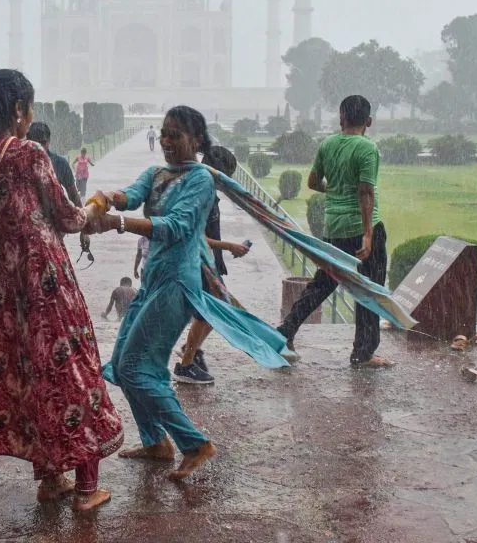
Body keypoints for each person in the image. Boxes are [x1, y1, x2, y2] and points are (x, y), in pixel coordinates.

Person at [0, 69, 122, 512]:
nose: (31, 116)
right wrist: (96, 204)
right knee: (71, 371)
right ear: (18, 110)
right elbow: (69, 218)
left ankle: (51, 479)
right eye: (29, 107)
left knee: (27, 375)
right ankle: (87, 487)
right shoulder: (28, 153)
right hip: (41, 282)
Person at [86, 106, 287, 481]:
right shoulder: (156, 173)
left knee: (133, 368)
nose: (166, 141)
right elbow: (132, 194)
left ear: (197, 141)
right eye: (163, 133)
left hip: (178, 285)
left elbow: (176, 227)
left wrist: (117, 223)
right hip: (153, 282)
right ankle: (155, 442)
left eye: (175, 135)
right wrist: (109, 199)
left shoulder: (200, 182)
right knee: (124, 366)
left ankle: (195, 444)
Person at [277, 95, 393, 368]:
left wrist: (337, 191)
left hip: (334, 229)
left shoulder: (328, 144)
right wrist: (367, 235)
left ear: (341, 118)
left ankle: (286, 331)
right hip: (363, 229)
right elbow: (366, 191)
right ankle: (363, 353)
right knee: (369, 290)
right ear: (369, 121)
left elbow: (314, 182)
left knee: (322, 284)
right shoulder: (367, 149)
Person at [173, 145, 251, 385]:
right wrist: (229, 246)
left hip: (209, 263)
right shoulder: (200, 195)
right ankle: (185, 365)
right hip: (199, 263)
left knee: (216, 311)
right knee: (209, 313)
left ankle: (190, 349)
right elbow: (195, 236)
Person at [27, 122, 80, 206]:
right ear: (28, 142)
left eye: (43, 143)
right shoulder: (21, 164)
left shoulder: (60, 163)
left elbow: (73, 195)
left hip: (55, 215)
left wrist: (83, 217)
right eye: (35, 143)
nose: (39, 147)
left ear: (49, 141)